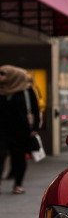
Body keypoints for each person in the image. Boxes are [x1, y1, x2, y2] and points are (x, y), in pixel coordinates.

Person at [0, 65, 40, 194]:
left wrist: (34, 127)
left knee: (18, 157)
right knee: (0, 155)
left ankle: (18, 184)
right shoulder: (1, 89)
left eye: (2, 73)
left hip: (20, 130)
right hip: (2, 130)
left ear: (13, 75)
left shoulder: (26, 90)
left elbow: (35, 110)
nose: (0, 76)